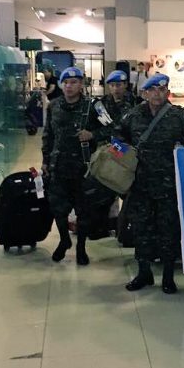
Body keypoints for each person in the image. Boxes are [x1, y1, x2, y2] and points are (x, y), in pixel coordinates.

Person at [116, 74, 184, 294]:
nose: (157, 94)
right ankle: (144, 273)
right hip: (140, 185)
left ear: (167, 92)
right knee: (141, 229)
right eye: (152, 90)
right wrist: (126, 158)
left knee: (168, 229)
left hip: (169, 185)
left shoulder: (179, 116)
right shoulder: (132, 116)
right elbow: (115, 141)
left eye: (162, 89)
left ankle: (168, 276)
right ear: (144, 93)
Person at [41, 67, 113, 266]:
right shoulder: (54, 105)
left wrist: (93, 135)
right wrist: (45, 161)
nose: (69, 86)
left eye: (73, 82)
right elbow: (48, 135)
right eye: (65, 82)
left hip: (84, 168)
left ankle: (81, 247)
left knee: (84, 211)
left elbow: (111, 128)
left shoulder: (94, 106)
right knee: (58, 208)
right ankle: (64, 240)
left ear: (81, 84)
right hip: (59, 166)